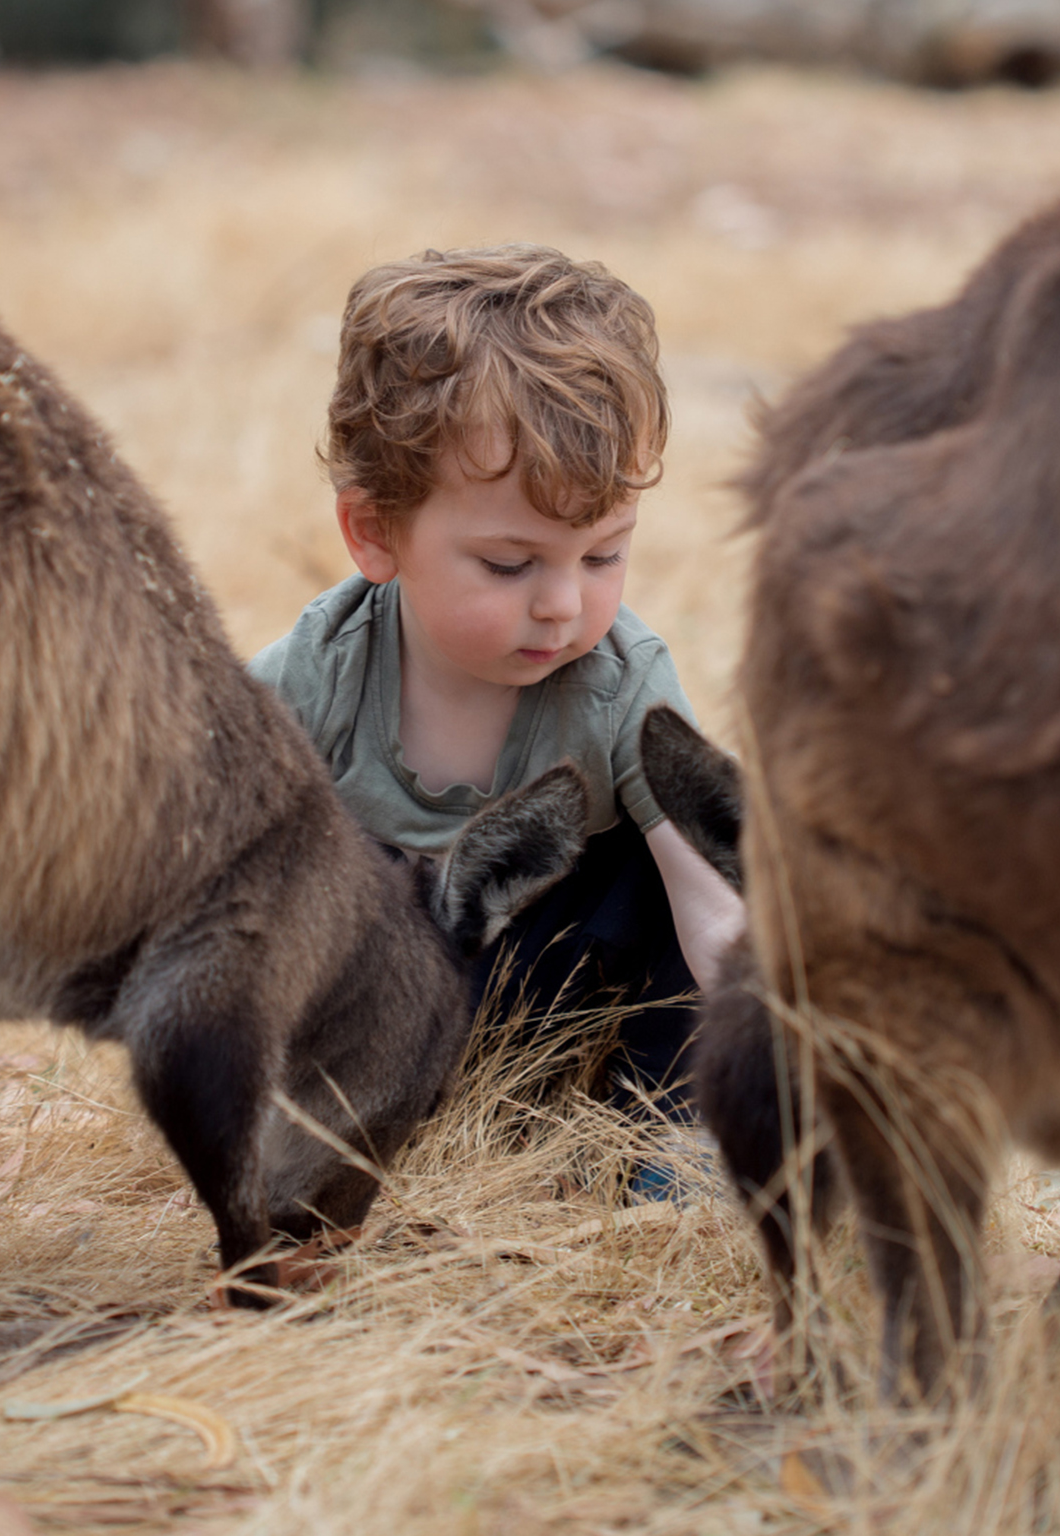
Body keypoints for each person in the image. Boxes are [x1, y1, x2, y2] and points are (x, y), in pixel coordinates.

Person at [248, 243, 743, 1170]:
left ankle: (669, 1150)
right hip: (377, 1003)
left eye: (603, 555)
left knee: (680, 857)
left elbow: (713, 912)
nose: (564, 603)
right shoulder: (319, 674)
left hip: (559, 992)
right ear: (375, 532)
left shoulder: (620, 683)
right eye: (511, 565)